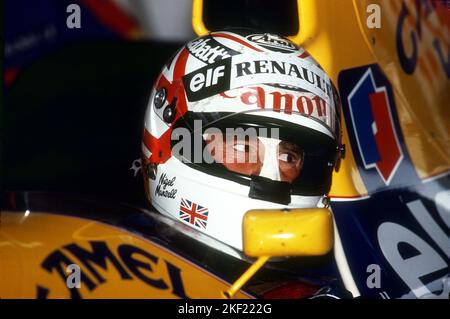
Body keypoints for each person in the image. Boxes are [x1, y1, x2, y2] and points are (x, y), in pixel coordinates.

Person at [141, 29, 344, 252]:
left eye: (288, 157)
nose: (272, 177)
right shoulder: (114, 260)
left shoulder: (327, 284)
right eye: (242, 147)